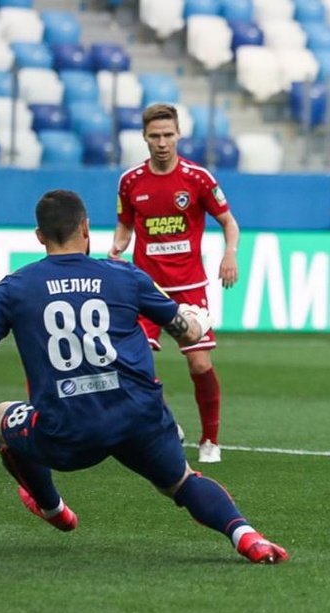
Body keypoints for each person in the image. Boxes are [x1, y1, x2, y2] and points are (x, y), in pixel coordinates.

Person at [0, 190, 288, 564]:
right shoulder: (125, 276)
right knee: (183, 482)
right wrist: (193, 318)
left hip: (68, 433)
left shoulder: (13, 289)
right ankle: (247, 537)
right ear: (87, 228)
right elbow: (186, 330)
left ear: (39, 236)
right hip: (138, 419)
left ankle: (53, 508)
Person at [109, 103, 239, 463]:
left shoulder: (198, 179)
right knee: (133, 365)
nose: (162, 142)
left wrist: (230, 254)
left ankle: (210, 440)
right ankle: (166, 421)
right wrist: (118, 246)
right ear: (144, 138)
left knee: (199, 365)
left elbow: (229, 222)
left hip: (189, 287)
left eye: (168, 135)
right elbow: (126, 224)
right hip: (144, 289)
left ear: (179, 134)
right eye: (155, 136)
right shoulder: (130, 181)